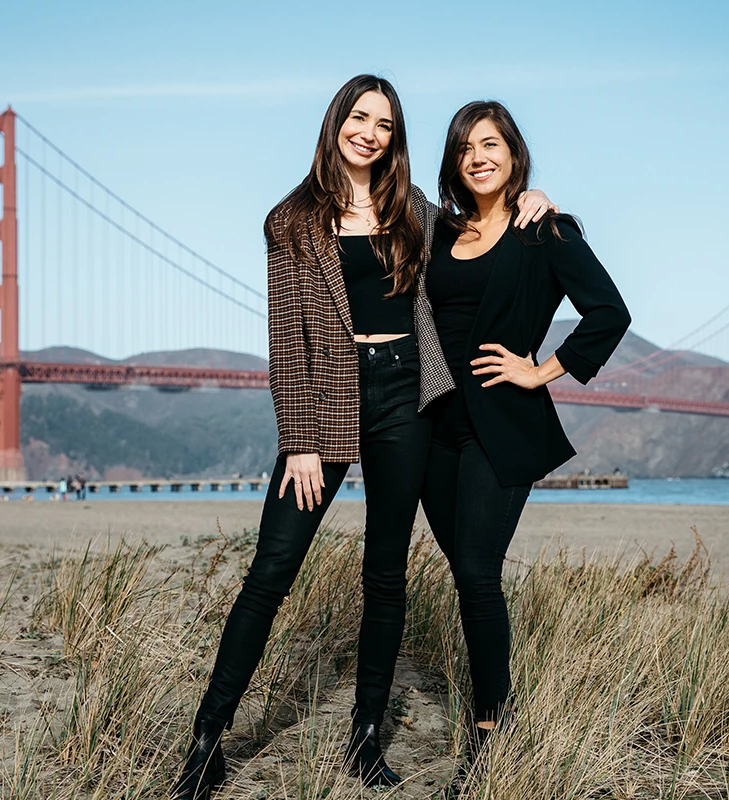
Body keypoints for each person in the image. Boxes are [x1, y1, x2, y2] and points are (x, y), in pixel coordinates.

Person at [172, 76, 554, 800]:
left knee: (386, 577)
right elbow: (288, 342)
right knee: (270, 573)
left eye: (384, 123)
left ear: (394, 137)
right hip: (324, 402)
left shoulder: (415, 211)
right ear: (337, 123)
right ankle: (206, 744)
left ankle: (366, 737)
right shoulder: (290, 221)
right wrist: (303, 440)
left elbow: (487, 222)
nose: (370, 133)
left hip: (407, 397)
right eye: (359, 118)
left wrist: (537, 200)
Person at [421, 101, 631, 756]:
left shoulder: (547, 230)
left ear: (513, 154)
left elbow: (608, 312)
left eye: (491, 144)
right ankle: (491, 703)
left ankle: (491, 728)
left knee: (479, 569)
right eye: (465, 147)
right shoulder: (434, 233)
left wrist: (542, 372)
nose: (478, 156)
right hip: (431, 425)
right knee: (464, 570)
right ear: (453, 162)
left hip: (501, 425)